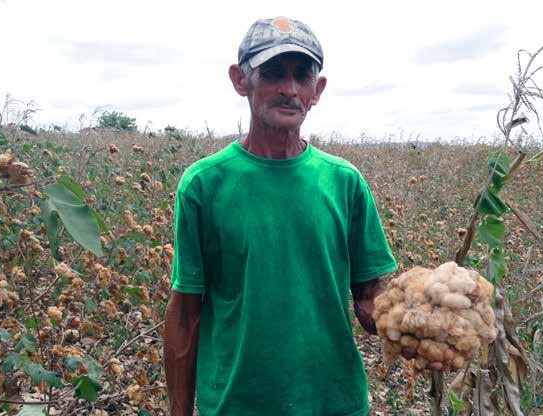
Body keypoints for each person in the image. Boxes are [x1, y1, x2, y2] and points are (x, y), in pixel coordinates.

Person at [163, 16, 398, 416]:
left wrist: (414, 316)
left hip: (334, 403)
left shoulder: (344, 182)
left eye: (302, 76)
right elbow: (186, 312)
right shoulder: (204, 185)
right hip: (238, 405)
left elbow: (368, 295)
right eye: (272, 73)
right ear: (241, 80)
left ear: (317, 89)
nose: (289, 89)